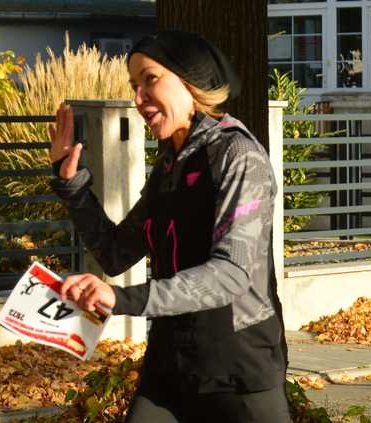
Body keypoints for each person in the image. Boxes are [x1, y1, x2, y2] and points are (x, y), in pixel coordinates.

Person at [48, 30, 290, 423]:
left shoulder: (238, 156)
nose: (139, 98)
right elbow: (115, 252)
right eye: (134, 85)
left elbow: (231, 274)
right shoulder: (169, 165)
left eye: (151, 79)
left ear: (191, 81)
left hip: (236, 371)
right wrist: (72, 186)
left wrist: (121, 300)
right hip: (170, 364)